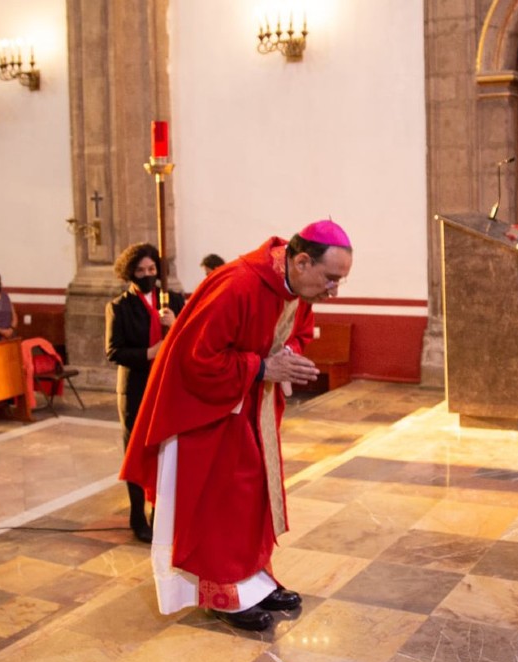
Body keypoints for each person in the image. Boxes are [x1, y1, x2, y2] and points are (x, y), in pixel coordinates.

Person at [121, 220, 353, 632]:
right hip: (208, 416)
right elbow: (198, 359)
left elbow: (296, 334)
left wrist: (286, 354)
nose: (335, 290)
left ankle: (254, 581)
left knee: (253, 498)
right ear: (301, 261)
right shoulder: (239, 284)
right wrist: (263, 366)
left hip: (250, 408)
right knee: (222, 504)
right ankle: (223, 595)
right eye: (331, 279)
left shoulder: (294, 287)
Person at [106, 243, 185, 543]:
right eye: (140, 271)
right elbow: (114, 351)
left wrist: (175, 324)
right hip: (136, 387)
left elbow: (193, 338)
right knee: (137, 451)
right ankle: (137, 516)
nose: (147, 275)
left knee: (165, 451)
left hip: (168, 386)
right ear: (130, 273)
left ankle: (160, 515)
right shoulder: (119, 306)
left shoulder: (173, 299)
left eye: (152, 270)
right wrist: (150, 352)